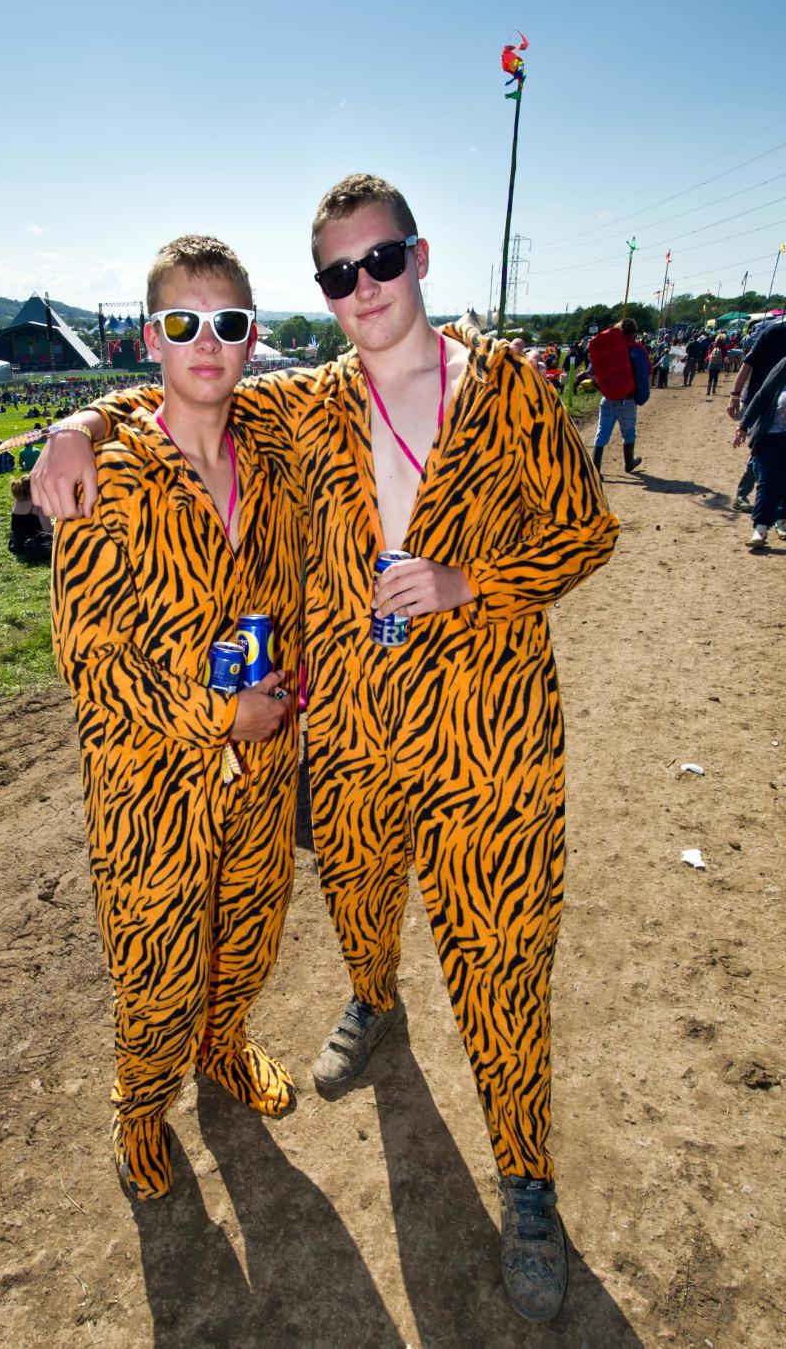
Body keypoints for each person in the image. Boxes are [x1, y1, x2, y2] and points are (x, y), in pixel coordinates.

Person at [31, 175, 619, 1325]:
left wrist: (472, 584)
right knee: (351, 894)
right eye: (339, 275)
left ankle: (529, 1185)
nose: (364, 291)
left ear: (420, 257)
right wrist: (77, 422)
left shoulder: (508, 390)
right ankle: (369, 1002)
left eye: (381, 262)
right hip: (347, 740)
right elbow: (183, 395)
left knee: (501, 963)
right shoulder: (310, 406)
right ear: (323, 292)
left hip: (485, 740)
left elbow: (586, 535)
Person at [46, 236, 302, 1205]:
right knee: (154, 982)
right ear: (151, 338)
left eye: (228, 324)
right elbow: (96, 670)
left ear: (250, 339)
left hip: (263, 774)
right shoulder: (104, 482)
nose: (208, 343)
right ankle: (140, 1108)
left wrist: (286, 689)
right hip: (154, 796)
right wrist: (217, 715)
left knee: (248, 939)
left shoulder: (272, 454)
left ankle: (225, 1046)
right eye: (184, 324)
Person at [733, 351, 786, 548]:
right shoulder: (784, 364)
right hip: (773, 434)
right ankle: (761, 528)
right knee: (768, 481)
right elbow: (763, 394)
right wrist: (743, 426)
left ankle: (782, 519)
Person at [589, 317, 649, 474]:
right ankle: (629, 463)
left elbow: (594, 369)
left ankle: (595, 470)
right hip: (626, 400)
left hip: (607, 398)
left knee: (601, 433)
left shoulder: (607, 348)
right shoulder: (637, 349)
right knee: (628, 433)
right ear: (634, 332)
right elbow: (645, 373)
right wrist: (641, 396)